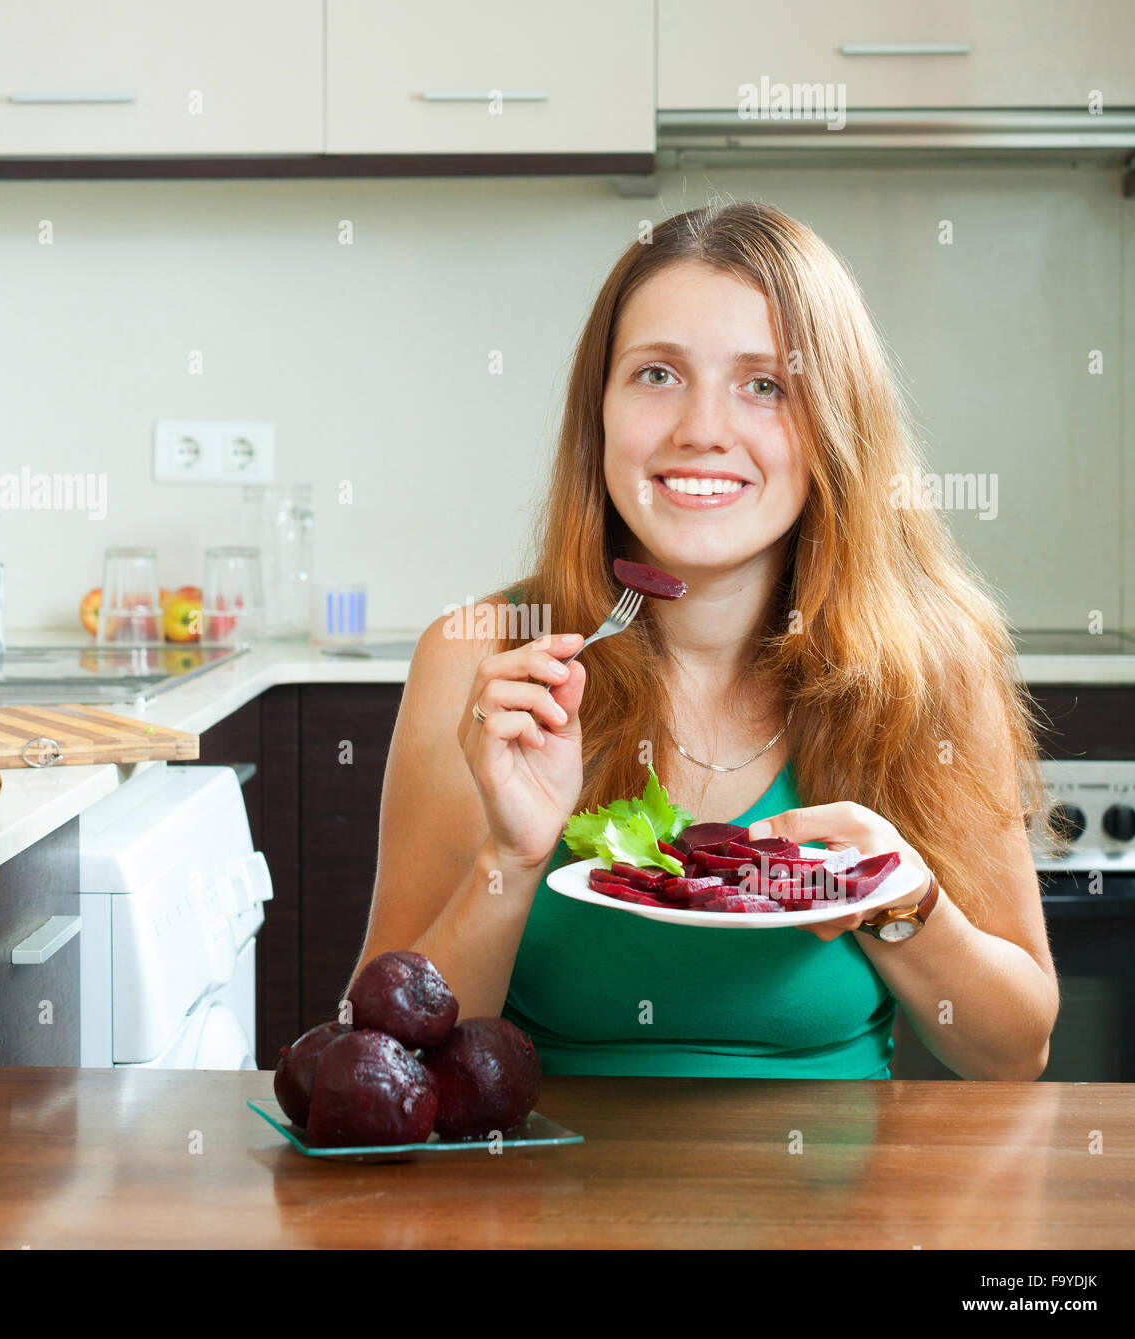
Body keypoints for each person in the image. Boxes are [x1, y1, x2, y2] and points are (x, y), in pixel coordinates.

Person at [349, 200, 1060, 1080]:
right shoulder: (479, 654)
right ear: (598, 411)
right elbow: (387, 1049)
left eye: (766, 385)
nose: (702, 429)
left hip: (835, 1212)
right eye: (657, 374)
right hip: (545, 1201)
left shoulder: (933, 668)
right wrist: (511, 859)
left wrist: (897, 901)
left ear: (837, 425)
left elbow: (1014, 1054)